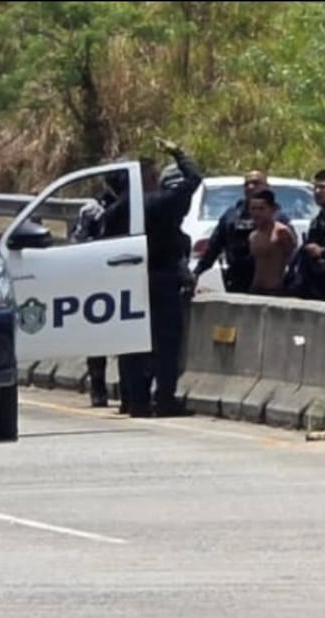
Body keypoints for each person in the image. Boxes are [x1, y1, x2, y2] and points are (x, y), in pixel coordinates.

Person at [116, 138, 203, 418]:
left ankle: (135, 400)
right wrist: (178, 152)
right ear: (150, 177)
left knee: (131, 342)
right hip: (161, 278)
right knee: (165, 342)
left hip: (128, 279)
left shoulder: (120, 209)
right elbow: (194, 178)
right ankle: (164, 399)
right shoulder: (163, 204)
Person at [71, 172, 129, 407]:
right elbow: (78, 241)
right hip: (98, 278)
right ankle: (98, 387)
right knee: (97, 337)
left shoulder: (136, 204)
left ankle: (129, 390)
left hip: (127, 277)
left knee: (127, 338)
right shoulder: (92, 209)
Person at [192, 171, 293, 294]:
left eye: (256, 183)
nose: (250, 187)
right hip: (236, 280)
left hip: (268, 287)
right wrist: (197, 273)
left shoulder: (278, 219)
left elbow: (291, 256)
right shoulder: (231, 216)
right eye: (247, 184)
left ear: (267, 187)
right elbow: (213, 247)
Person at [285, 168, 325, 301]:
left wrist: (322, 251)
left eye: (323, 187)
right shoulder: (319, 218)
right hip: (315, 286)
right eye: (315, 188)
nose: (317, 192)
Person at [246, 189, 297, 296]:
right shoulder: (253, 235)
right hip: (255, 290)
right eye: (253, 209)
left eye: (261, 209)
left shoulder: (281, 232)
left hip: (276, 291)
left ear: (272, 209)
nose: (256, 213)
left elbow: (293, 260)